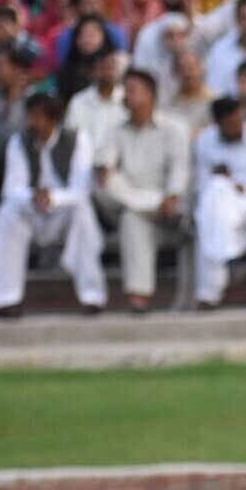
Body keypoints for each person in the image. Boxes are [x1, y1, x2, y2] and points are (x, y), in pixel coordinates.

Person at [0, 91, 107, 314]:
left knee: (83, 213)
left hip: (64, 209)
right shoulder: (20, 141)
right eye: (31, 116)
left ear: (53, 118)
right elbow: (11, 188)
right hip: (33, 210)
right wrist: (33, 196)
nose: (33, 122)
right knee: (8, 213)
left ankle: (92, 296)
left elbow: (81, 189)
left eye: (39, 116)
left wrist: (54, 198)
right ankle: (6, 298)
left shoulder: (77, 139)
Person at [93, 68, 191, 311]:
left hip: (171, 211)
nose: (126, 96)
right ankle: (138, 296)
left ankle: (150, 201)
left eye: (132, 90)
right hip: (134, 205)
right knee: (128, 215)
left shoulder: (174, 128)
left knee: (138, 207)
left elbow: (180, 169)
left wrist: (172, 195)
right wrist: (108, 175)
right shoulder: (116, 131)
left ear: (151, 95)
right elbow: (105, 169)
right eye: (125, 90)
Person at [190, 95, 246, 308]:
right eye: (229, 124)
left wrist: (238, 186)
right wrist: (221, 180)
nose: (236, 128)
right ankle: (217, 276)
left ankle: (210, 289)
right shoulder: (205, 141)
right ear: (217, 124)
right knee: (214, 197)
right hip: (218, 201)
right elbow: (201, 183)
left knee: (211, 214)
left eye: (239, 121)